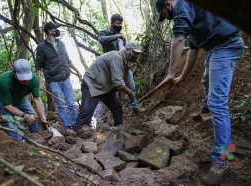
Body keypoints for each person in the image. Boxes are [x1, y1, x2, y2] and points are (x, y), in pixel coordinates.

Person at [155, 0, 244, 184]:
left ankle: (222, 161)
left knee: (218, 103)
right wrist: (181, 76)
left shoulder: (182, 4)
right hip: (214, 49)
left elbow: (179, 38)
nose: (166, 18)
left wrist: (171, 73)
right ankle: (205, 110)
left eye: (163, 14)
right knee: (205, 80)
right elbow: (193, 50)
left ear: (167, 5)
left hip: (226, 46)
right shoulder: (193, 16)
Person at [73, 41, 142, 137]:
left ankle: (119, 130)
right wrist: (130, 93)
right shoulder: (116, 57)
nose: (137, 56)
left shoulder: (125, 62)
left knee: (117, 108)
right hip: (92, 84)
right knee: (85, 113)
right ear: (127, 50)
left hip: (106, 87)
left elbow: (121, 80)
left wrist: (121, 95)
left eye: (138, 54)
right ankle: (78, 135)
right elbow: (118, 83)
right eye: (135, 53)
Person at [35, 22, 82, 130]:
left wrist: (77, 71)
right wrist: (40, 82)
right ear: (50, 31)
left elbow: (68, 60)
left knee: (70, 103)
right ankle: (66, 126)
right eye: (55, 29)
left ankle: (75, 125)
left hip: (66, 78)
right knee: (60, 105)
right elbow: (38, 66)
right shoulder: (41, 47)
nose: (56, 30)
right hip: (53, 81)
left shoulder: (61, 44)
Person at [0, 59, 48, 142]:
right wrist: (24, 115)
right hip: (3, 101)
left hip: (20, 98)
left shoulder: (34, 79)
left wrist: (43, 118)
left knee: (32, 116)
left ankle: (35, 136)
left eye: (27, 77)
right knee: (11, 121)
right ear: (14, 72)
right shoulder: (4, 81)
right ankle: (18, 142)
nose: (25, 80)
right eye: (22, 78)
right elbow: (7, 105)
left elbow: (37, 99)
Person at [98, 14, 140, 113]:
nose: (119, 25)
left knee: (131, 86)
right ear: (112, 23)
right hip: (113, 65)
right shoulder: (105, 33)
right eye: (117, 23)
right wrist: (117, 36)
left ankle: (135, 108)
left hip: (125, 64)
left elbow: (125, 49)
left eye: (121, 23)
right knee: (116, 88)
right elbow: (101, 40)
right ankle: (118, 112)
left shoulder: (122, 35)